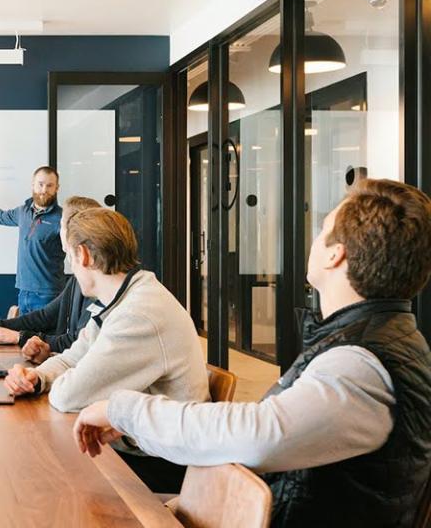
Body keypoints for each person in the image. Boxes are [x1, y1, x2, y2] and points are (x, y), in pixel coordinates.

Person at [72, 178, 431, 527]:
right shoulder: (370, 340)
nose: (315, 240)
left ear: (336, 255)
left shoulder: (362, 362)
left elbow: (259, 433)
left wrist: (125, 410)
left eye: (323, 231)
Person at [3, 207, 208, 492]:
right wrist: (36, 377)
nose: (69, 267)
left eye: (69, 258)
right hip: (137, 442)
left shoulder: (139, 313)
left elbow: (68, 395)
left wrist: (52, 381)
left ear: (84, 256)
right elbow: (75, 356)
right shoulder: (120, 298)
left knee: (35, 472)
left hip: (164, 459)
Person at [0, 196, 101, 356]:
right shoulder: (76, 281)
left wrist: (20, 337)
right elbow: (44, 317)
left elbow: (77, 342)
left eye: (61, 225)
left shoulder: (95, 286)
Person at [0, 166, 65, 314]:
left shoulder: (62, 218)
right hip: (23, 291)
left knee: (44, 337)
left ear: (57, 188)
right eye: (40, 184)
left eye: (49, 185)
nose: (44, 189)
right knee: (23, 336)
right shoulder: (23, 212)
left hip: (49, 294)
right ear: (32, 185)